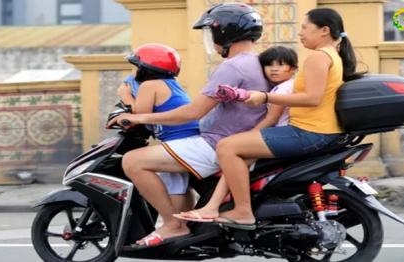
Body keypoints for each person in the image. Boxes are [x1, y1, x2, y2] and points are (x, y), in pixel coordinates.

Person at [107, 3, 268, 248]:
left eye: (212, 33)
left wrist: (140, 118)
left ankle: (173, 225)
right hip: (236, 141)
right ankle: (188, 227)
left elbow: (192, 112)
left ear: (224, 32)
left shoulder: (231, 66)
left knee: (132, 161)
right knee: (172, 171)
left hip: (215, 144)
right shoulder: (258, 62)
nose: (211, 40)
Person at [204, 8, 365, 229]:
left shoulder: (318, 57)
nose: (300, 34)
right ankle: (220, 205)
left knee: (227, 147)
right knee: (239, 147)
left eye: (305, 28)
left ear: (324, 30)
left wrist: (265, 97)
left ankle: (243, 211)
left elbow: (313, 98)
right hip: (316, 131)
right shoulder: (331, 55)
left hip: (308, 133)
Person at [173, 46, 298, 223]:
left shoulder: (284, 89)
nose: (274, 69)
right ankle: (216, 206)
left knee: (232, 160)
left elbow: (271, 119)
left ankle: (222, 208)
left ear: (293, 68)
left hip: (274, 135)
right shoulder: (280, 87)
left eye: (281, 65)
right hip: (277, 134)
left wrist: (249, 136)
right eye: (269, 65)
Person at [117, 43, 199, 209]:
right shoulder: (169, 84)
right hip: (188, 140)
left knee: (135, 163)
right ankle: (186, 226)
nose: (134, 73)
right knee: (177, 184)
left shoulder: (150, 85)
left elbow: (139, 115)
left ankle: (174, 223)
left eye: (136, 67)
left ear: (147, 69)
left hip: (181, 143)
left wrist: (125, 96)